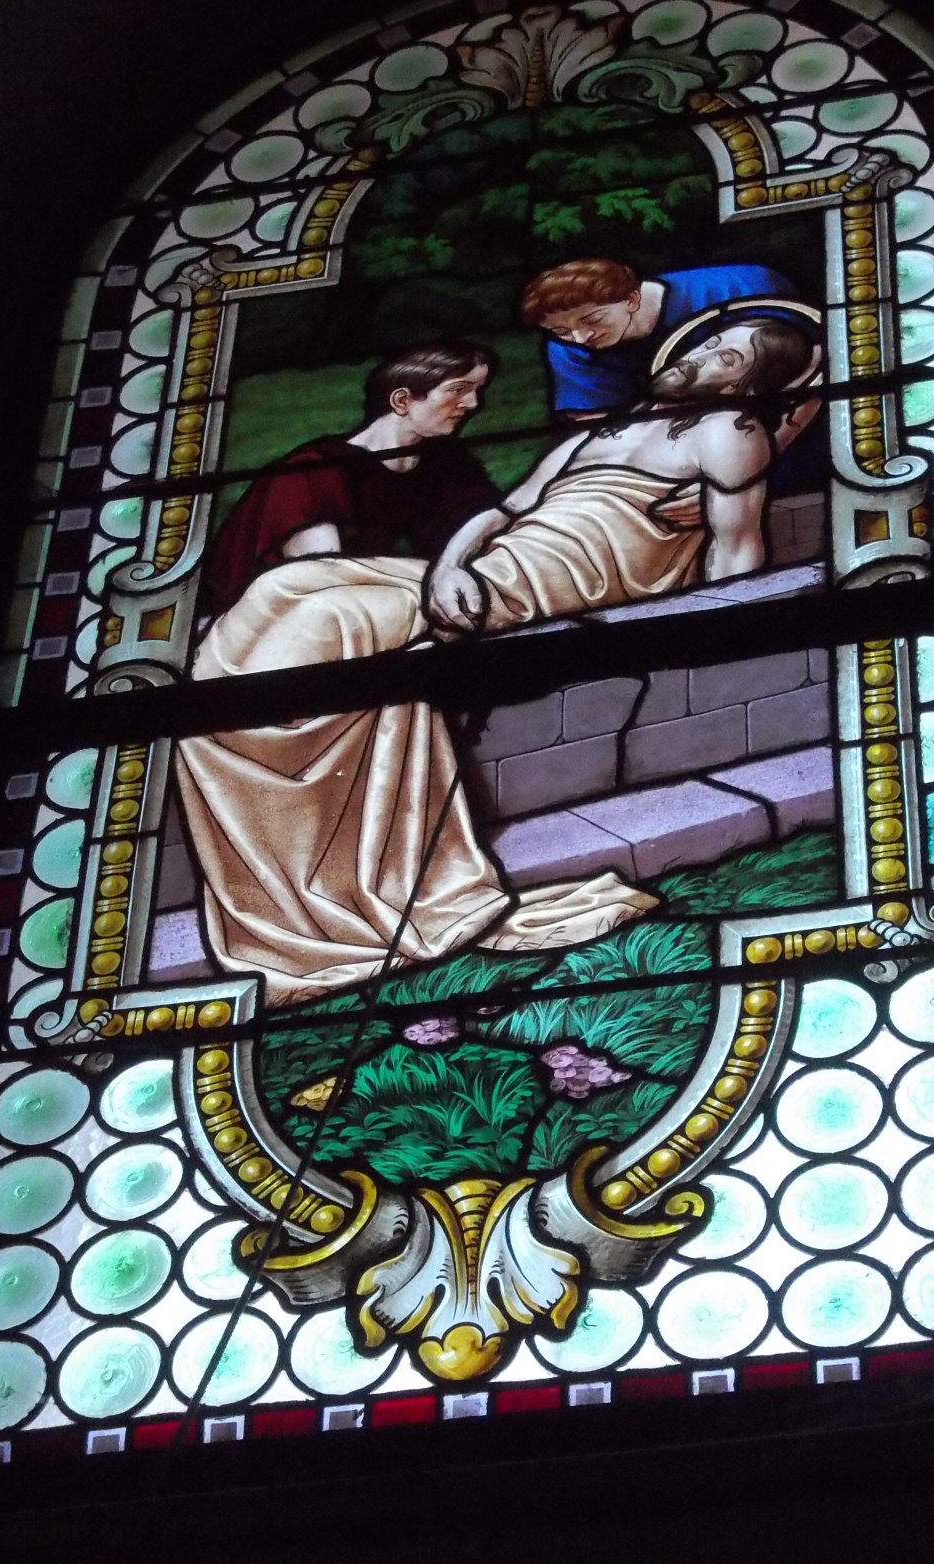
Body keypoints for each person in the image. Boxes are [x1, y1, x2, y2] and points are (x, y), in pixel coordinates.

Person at [176, 313, 820, 1009]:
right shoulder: (609, 429)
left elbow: (736, 545)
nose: (704, 354)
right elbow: (506, 511)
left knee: (327, 620)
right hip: (483, 573)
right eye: (709, 342)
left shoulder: (729, 432)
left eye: (730, 357)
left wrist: (715, 629)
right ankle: (251, 770)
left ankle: (261, 779)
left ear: (748, 385)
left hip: (540, 589)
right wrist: (450, 565)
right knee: (286, 587)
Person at [201, 342, 498, 618]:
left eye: (477, 390)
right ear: (402, 400)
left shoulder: (445, 463)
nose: (473, 403)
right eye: (458, 390)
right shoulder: (316, 471)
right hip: (259, 622)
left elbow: (492, 531)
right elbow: (325, 580)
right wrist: (437, 574)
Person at [520, 256, 795, 418]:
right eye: (561, 331)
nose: (580, 338)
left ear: (631, 299)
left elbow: (808, 358)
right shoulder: (568, 349)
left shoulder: (739, 288)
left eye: (593, 320)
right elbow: (594, 420)